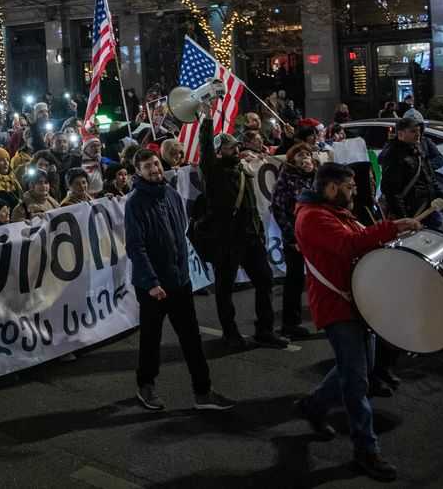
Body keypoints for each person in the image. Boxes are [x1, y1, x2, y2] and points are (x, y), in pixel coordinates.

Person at [294, 162, 422, 482]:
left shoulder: (333, 211)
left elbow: (360, 240)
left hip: (357, 301)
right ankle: (366, 449)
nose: (354, 193)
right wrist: (393, 227)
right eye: (349, 188)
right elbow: (349, 245)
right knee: (356, 381)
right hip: (337, 305)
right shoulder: (313, 217)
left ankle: (313, 405)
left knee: (357, 369)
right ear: (332, 188)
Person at [126, 149, 235, 412]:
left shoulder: (172, 195)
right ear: (138, 172)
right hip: (152, 287)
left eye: (154, 164)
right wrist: (152, 282)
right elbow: (136, 247)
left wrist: (186, 273)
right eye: (146, 167)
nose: (154, 169)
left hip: (179, 282)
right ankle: (146, 385)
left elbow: (180, 237)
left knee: (191, 339)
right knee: (151, 340)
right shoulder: (135, 203)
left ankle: (203, 391)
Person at [196, 118, 287, 350]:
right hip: (225, 241)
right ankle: (230, 333)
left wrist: (258, 232)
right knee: (224, 289)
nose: (236, 150)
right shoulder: (213, 172)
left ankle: (265, 331)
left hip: (250, 238)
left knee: (264, 281)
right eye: (230, 147)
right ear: (218, 152)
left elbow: (251, 205)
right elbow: (205, 148)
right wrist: (205, 120)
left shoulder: (242, 169)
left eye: (237, 146)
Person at [270, 144, 317, 338]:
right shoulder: (286, 178)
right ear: (291, 159)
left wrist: (313, 174)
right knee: (295, 280)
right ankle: (290, 324)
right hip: (296, 235)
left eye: (307, 154)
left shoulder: (317, 176)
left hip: (316, 233)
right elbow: (279, 208)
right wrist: (290, 237)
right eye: (300, 154)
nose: (305, 157)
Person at [380, 116, 443, 228]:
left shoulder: (418, 150)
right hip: (413, 212)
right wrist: (404, 219)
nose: (418, 134)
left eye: (418, 131)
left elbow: (429, 177)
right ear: (401, 134)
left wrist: (440, 196)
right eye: (413, 131)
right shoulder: (393, 155)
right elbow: (391, 191)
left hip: (427, 208)